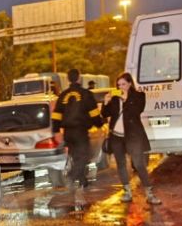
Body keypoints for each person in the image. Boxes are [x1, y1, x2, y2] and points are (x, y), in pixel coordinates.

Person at [101, 72, 161, 204]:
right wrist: (106, 102)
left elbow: (137, 110)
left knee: (139, 164)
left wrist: (125, 99)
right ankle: (127, 192)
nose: (121, 87)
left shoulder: (138, 96)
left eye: (123, 84)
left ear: (129, 84)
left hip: (133, 136)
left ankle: (149, 194)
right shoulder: (115, 99)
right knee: (121, 164)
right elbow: (105, 113)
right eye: (118, 85)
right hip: (116, 136)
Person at [52, 68, 103, 198]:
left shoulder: (63, 95)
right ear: (79, 78)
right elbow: (94, 114)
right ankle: (71, 177)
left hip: (68, 133)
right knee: (84, 156)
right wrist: (99, 123)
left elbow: (56, 115)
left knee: (76, 157)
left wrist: (56, 131)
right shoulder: (86, 94)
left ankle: (83, 181)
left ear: (68, 79)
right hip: (81, 131)